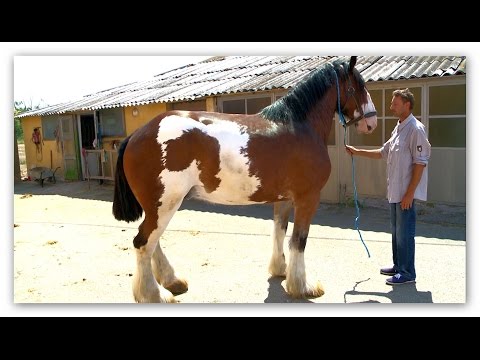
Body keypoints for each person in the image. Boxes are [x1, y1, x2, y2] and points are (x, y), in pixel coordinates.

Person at [345, 88, 431, 285]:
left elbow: (420, 163)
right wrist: (356, 151)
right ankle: (398, 265)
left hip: (405, 194)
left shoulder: (415, 129)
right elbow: (382, 153)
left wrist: (410, 194)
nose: (391, 106)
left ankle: (407, 273)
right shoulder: (398, 128)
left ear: (407, 105)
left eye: (395, 103)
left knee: (405, 233)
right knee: (396, 231)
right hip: (394, 192)